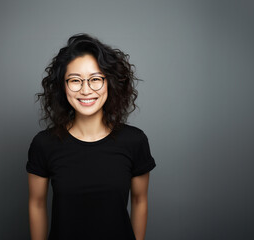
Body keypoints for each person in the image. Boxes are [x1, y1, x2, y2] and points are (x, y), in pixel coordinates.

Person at [26, 33, 156, 240]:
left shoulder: (134, 141)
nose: (86, 90)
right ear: (63, 86)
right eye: (75, 80)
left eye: (95, 79)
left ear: (109, 83)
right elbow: (37, 204)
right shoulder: (44, 144)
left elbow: (140, 201)